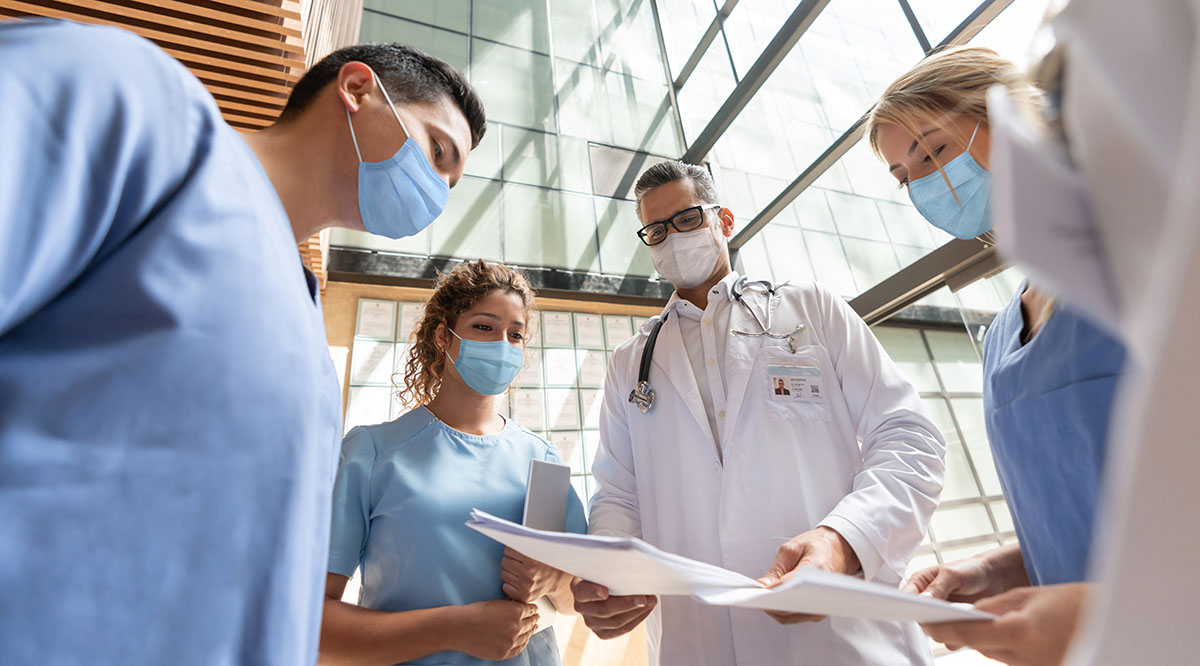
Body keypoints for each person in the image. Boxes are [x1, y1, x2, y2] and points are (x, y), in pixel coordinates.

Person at [0, 19, 485, 664]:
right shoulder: (137, 105)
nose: (435, 196)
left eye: (451, 188)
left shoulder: (303, 325)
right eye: (437, 153)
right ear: (358, 88)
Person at [572, 162, 948, 664]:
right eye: (656, 231)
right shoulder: (629, 365)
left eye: (686, 219)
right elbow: (619, 493)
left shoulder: (812, 310)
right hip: (699, 637)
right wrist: (611, 575)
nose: (672, 239)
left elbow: (908, 436)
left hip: (841, 637)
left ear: (723, 220)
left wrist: (845, 540)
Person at [866, 46, 1125, 664]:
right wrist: (1000, 569)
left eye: (933, 151)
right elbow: (1074, 519)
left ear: (1011, 117)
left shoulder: (1143, 267)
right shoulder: (1004, 334)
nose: (927, 182)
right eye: (907, 178)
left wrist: (1102, 611)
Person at [320, 260, 588, 665]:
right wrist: (455, 627)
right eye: (484, 327)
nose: (502, 344)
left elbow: (573, 597)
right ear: (444, 337)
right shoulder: (371, 452)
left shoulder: (542, 460)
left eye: (515, 335)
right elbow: (315, 619)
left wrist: (551, 578)